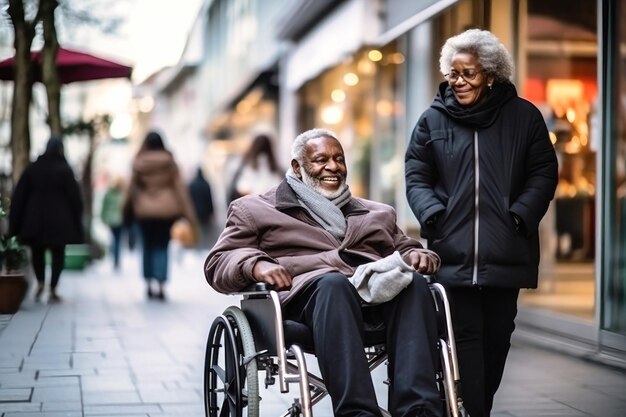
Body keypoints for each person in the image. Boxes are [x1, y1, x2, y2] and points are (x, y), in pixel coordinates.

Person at [206, 128, 444, 417]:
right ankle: (357, 413)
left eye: (339, 159)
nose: (333, 167)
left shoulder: (377, 212)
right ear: (297, 167)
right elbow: (219, 261)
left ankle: (418, 409)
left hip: (375, 299)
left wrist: (417, 255)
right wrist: (256, 264)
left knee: (415, 284)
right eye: (321, 159)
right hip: (307, 302)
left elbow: (404, 247)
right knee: (333, 284)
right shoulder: (254, 209)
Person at [404, 29, 559, 417]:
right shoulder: (432, 120)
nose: (458, 82)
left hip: (506, 250)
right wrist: (433, 214)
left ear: (490, 74)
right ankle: (471, 411)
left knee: (497, 341)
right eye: (453, 74)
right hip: (451, 254)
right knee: (464, 340)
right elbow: (416, 173)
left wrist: (519, 216)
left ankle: (474, 407)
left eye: (468, 74)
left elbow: (543, 172)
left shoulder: (524, 117)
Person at [9, 135, 84, 303]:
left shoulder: (33, 168)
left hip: (35, 219)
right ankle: (53, 288)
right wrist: (77, 218)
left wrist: (16, 223)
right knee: (58, 254)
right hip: (60, 220)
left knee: (37, 252)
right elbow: (75, 199)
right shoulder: (65, 169)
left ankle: (41, 282)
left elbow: (20, 196)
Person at [124, 131, 198, 300]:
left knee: (147, 246)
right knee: (162, 246)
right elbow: (180, 189)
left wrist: (126, 211)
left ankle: (149, 283)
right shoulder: (170, 163)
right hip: (166, 211)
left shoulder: (139, 162)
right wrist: (189, 215)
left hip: (144, 212)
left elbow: (131, 189)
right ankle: (161, 284)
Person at [226, 132, 284, 204]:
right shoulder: (276, 169)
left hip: (250, 207)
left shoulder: (245, 166)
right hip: (271, 209)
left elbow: (241, 188)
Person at [100, 176, 126, 270]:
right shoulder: (123, 193)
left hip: (112, 220)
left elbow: (104, 206)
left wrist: (103, 217)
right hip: (120, 220)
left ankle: (114, 257)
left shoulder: (109, 192)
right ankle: (116, 259)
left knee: (114, 239)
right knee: (118, 240)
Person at [187, 167, 215, 249]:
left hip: (195, 212)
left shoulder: (191, 184)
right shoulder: (206, 184)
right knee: (205, 232)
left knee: (197, 232)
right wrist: (211, 211)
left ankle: (198, 247)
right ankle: (205, 248)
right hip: (205, 212)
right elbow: (209, 199)